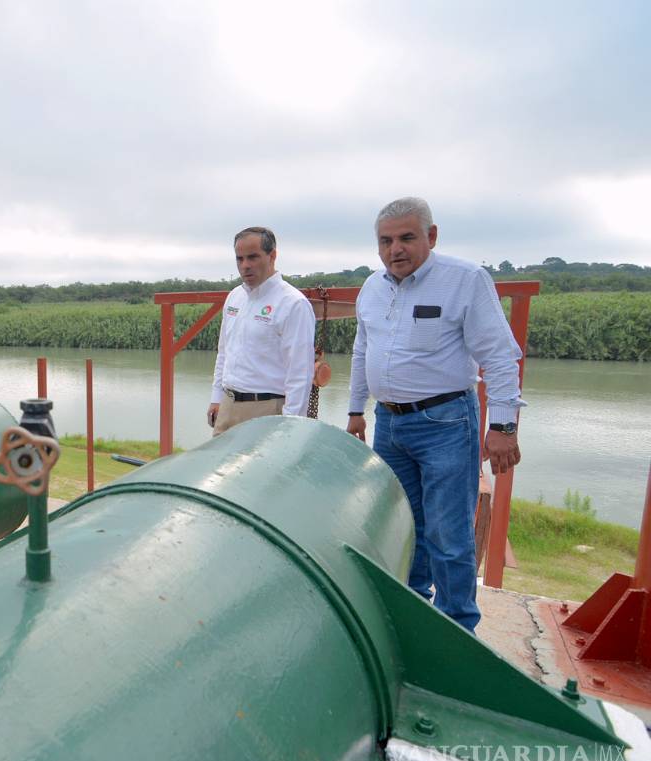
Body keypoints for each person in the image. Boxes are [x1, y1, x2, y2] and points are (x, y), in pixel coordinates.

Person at [346, 197, 524, 633]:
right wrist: (355, 410)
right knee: (403, 526)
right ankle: (413, 616)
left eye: (407, 237)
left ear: (432, 235)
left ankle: (457, 629)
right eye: (386, 241)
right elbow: (361, 350)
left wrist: (502, 426)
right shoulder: (372, 288)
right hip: (388, 423)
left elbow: (500, 357)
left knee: (448, 534)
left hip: (446, 422)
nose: (396, 249)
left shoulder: (464, 281)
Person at [208, 226, 315, 435]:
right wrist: (216, 398)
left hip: (267, 409)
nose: (245, 266)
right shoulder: (234, 298)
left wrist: (290, 425)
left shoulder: (293, 304)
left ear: (272, 255)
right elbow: (224, 352)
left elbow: (300, 372)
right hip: (228, 405)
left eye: (253, 257)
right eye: (240, 259)